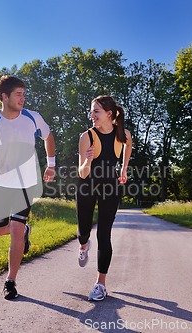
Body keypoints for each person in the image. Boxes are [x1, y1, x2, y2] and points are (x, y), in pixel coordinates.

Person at [0, 75, 56, 300]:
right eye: (18, 94)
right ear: (4, 97)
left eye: (24, 94)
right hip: (1, 183)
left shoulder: (32, 117)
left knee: (16, 229)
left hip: (26, 183)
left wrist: (51, 165)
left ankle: (10, 281)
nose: (23, 98)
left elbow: (48, 137)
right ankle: (24, 231)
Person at [76, 95, 132, 301]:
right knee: (83, 230)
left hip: (110, 188)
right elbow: (82, 173)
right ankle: (83, 245)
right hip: (87, 186)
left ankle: (100, 283)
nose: (92, 115)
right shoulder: (86, 137)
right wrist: (88, 161)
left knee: (104, 234)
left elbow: (128, 147)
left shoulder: (123, 134)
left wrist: (124, 169)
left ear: (109, 114)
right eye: (91, 112)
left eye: (96, 112)